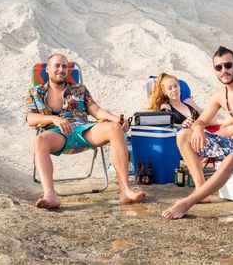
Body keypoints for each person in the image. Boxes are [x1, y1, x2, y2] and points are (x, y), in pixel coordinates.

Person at [162, 46, 233, 219]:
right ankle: (201, 190)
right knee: (183, 135)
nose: (224, 71)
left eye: (228, 65)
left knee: (230, 158)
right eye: (218, 67)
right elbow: (202, 120)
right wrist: (197, 128)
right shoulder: (221, 94)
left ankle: (187, 203)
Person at [26, 53, 146, 209]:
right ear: (47, 69)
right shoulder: (35, 92)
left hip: (83, 130)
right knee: (40, 140)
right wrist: (53, 119)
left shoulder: (79, 89)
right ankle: (50, 194)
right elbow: (30, 118)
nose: (61, 69)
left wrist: (116, 119)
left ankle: (125, 190)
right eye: (57, 65)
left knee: (114, 128)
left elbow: (95, 110)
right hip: (57, 134)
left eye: (64, 66)